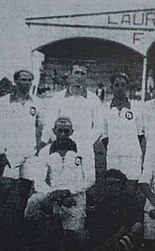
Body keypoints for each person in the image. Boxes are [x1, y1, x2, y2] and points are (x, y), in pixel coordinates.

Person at [40, 60, 101, 208]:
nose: (79, 76)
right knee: (60, 180)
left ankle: (81, 216)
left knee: (85, 182)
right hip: (62, 147)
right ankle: (57, 211)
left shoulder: (93, 99)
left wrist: (84, 144)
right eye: (76, 73)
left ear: (86, 77)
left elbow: (98, 127)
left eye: (83, 74)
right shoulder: (57, 98)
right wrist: (62, 141)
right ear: (70, 75)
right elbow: (49, 124)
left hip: (84, 148)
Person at [0, 69, 43, 247]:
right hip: (10, 151)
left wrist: (39, 144)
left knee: (25, 188)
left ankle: (19, 222)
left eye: (30, 80)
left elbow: (42, 124)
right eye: (23, 79)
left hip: (30, 151)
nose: (27, 83)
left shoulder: (36, 102)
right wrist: (1, 152)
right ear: (16, 81)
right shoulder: (5, 101)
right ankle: (0, 223)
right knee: (6, 188)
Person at [25, 116, 90, 250]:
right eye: (59, 131)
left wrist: (69, 192)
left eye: (66, 131)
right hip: (53, 197)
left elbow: (90, 178)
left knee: (77, 237)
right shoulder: (45, 151)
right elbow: (38, 182)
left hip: (75, 198)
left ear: (72, 131)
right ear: (54, 131)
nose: (62, 135)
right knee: (33, 203)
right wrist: (54, 196)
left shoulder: (83, 150)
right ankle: (34, 239)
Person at [101, 73, 144, 193]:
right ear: (112, 88)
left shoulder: (136, 107)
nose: (120, 88)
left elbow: (140, 134)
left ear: (127, 87)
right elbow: (105, 136)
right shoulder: (105, 108)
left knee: (130, 191)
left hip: (132, 157)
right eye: (117, 85)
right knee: (114, 190)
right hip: (113, 156)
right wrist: (115, 148)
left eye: (123, 85)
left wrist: (129, 148)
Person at [88, 169, 143, 251]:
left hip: (125, 239)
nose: (113, 188)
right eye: (110, 184)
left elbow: (127, 226)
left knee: (137, 227)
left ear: (122, 185)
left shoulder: (131, 201)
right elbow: (98, 229)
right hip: (108, 241)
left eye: (116, 184)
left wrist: (109, 244)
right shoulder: (103, 205)